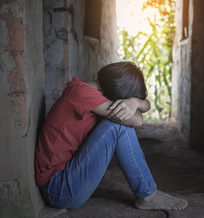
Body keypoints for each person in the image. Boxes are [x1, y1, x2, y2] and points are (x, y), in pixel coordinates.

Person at [35, 61, 188, 210]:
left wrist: (135, 102)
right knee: (118, 126)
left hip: (66, 180)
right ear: (119, 97)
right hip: (58, 189)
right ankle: (147, 196)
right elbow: (136, 120)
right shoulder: (80, 93)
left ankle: (147, 192)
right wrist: (133, 105)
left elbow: (145, 106)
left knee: (119, 123)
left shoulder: (86, 91)